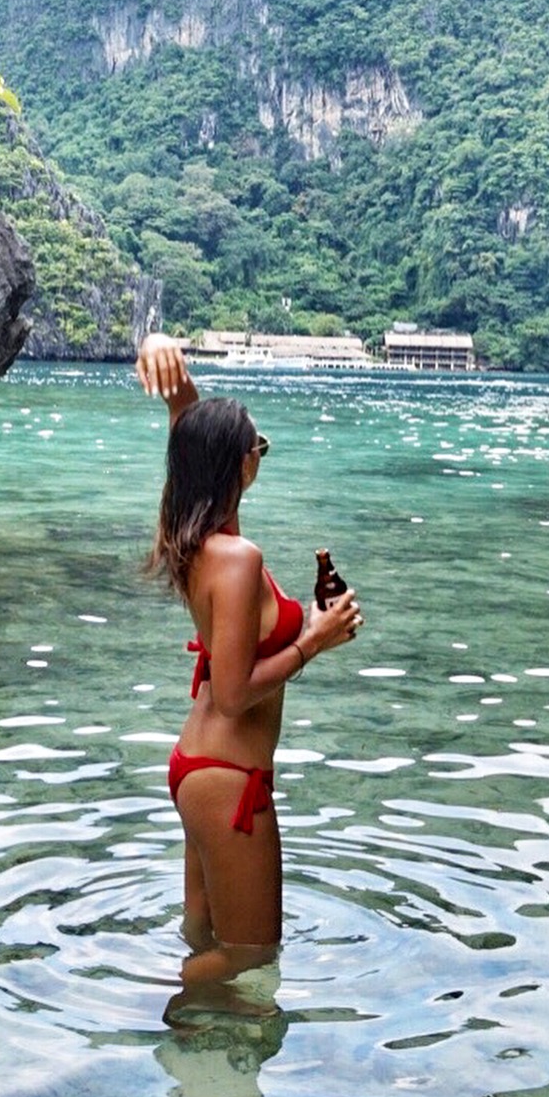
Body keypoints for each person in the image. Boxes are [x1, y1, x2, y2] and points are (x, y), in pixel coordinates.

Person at [136, 331, 363, 991]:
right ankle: (137, 1018)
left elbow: (189, 428)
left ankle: (201, 1066)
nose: (260, 455)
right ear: (242, 463)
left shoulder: (196, 535)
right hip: (229, 776)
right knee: (249, 953)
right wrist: (313, 638)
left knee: (207, 935)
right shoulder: (236, 557)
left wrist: (166, 361)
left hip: (201, 768)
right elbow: (235, 693)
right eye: (259, 446)